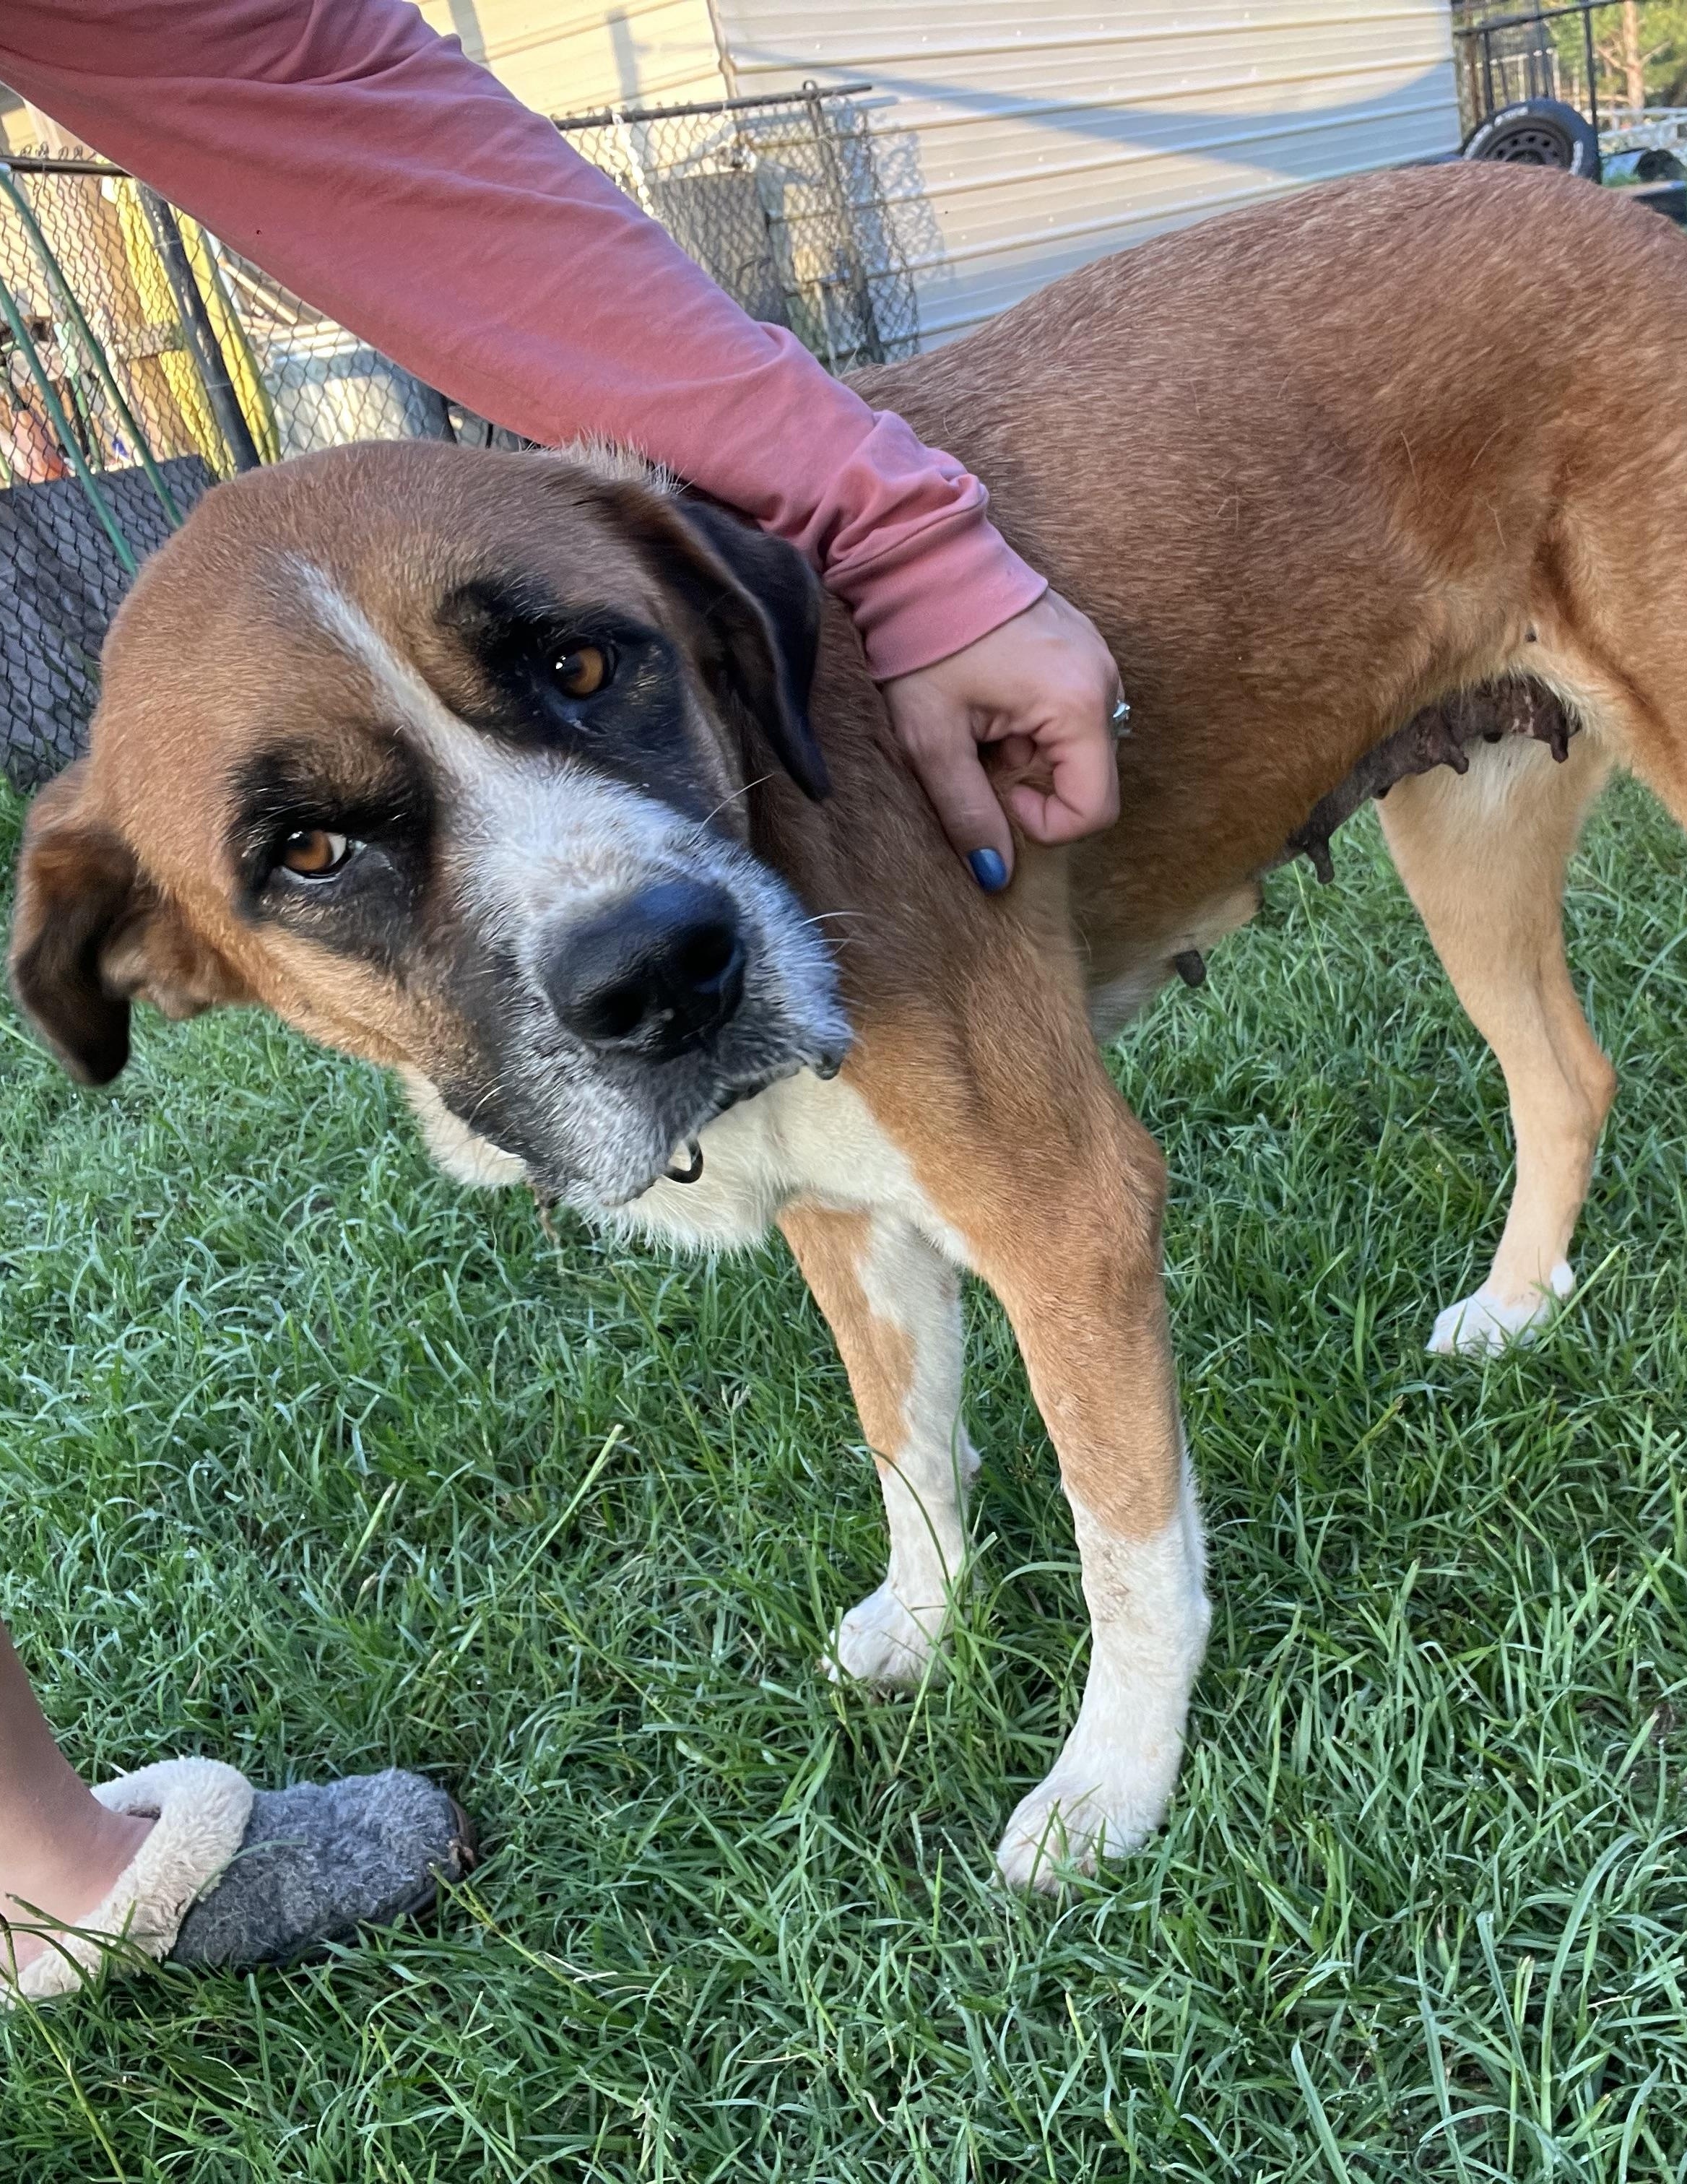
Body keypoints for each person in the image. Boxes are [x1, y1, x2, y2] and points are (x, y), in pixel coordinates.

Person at [0, 0, 1123, 2003]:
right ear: (164, 960)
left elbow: (290, 62)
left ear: (698, 617)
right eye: (323, 853)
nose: (617, 915)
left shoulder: (720, 635)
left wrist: (900, 533)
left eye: (582, 677)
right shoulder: (152, 888)